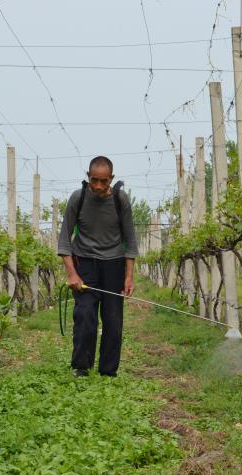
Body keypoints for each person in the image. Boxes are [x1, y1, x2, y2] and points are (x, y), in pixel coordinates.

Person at [57, 156, 138, 377]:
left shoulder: (121, 200)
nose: (99, 186)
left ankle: (108, 371)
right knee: (84, 314)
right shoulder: (78, 198)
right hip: (84, 263)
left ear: (111, 179)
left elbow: (130, 242)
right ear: (88, 177)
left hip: (114, 264)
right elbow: (64, 240)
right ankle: (81, 367)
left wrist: (128, 277)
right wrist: (72, 273)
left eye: (104, 181)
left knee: (113, 319)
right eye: (94, 180)